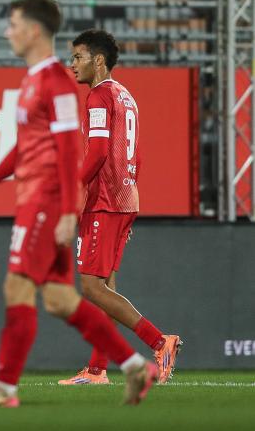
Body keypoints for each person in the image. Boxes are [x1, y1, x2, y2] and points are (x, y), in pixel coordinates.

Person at [0, 0, 158, 407]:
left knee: (18, 287)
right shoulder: (34, 81)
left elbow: (70, 149)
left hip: (47, 202)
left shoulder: (57, 83)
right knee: (62, 299)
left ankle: (5, 389)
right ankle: (135, 366)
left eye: (12, 24)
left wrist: (67, 209)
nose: (7, 32)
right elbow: (25, 147)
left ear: (33, 30)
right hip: (39, 199)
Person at [58, 29, 181, 386]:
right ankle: (97, 369)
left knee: (92, 289)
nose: (72, 65)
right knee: (106, 287)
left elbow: (97, 152)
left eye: (78, 57)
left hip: (105, 201)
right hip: (125, 197)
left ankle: (160, 342)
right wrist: (130, 194)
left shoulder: (98, 96)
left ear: (98, 60)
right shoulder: (125, 95)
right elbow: (136, 153)